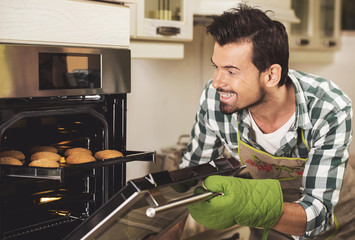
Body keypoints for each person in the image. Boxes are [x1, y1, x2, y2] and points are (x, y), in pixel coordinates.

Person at [179, 4, 354, 240]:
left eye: (231, 71)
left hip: (334, 231)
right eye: (216, 67)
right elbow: (191, 174)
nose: (217, 82)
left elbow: (319, 213)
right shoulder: (214, 99)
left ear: (271, 75)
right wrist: (170, 231)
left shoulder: (327, 108)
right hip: (266, 231)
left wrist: (249, 205)